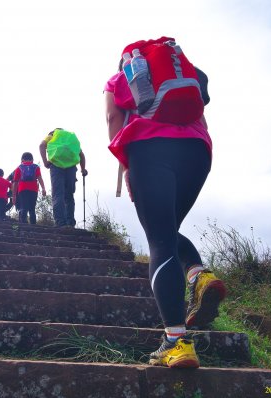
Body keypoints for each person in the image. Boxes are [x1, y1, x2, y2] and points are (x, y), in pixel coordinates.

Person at [104, 38, 225, 369]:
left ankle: (176, 342)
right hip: (198, 153)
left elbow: (114, 120)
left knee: (160, 241)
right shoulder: (188, 77)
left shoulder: (118, 80)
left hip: (150, 149)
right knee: (169, 229)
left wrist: (129, 166)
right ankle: (198, 274)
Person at [39, 128, 87, 227]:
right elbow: (81, 155)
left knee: (58, 194)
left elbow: (42, 145)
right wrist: (83, 169)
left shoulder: (52, 135)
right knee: (69, 196)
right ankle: (70, 223)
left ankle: (60, 223)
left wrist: (45, 162)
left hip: (56, 166)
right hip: (71, 168)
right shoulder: (70, 139)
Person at [12, 152, 47, 224]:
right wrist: (43, 188)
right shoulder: (36, 167)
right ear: (32, 159)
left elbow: (15, 182)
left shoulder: (19, 168)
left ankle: (23, 224)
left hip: (22, 189)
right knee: (32, 208)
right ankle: (33, 225)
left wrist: (14, 195)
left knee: (23, 207)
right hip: (33, 189)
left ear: (22, 159)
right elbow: (40, 178)